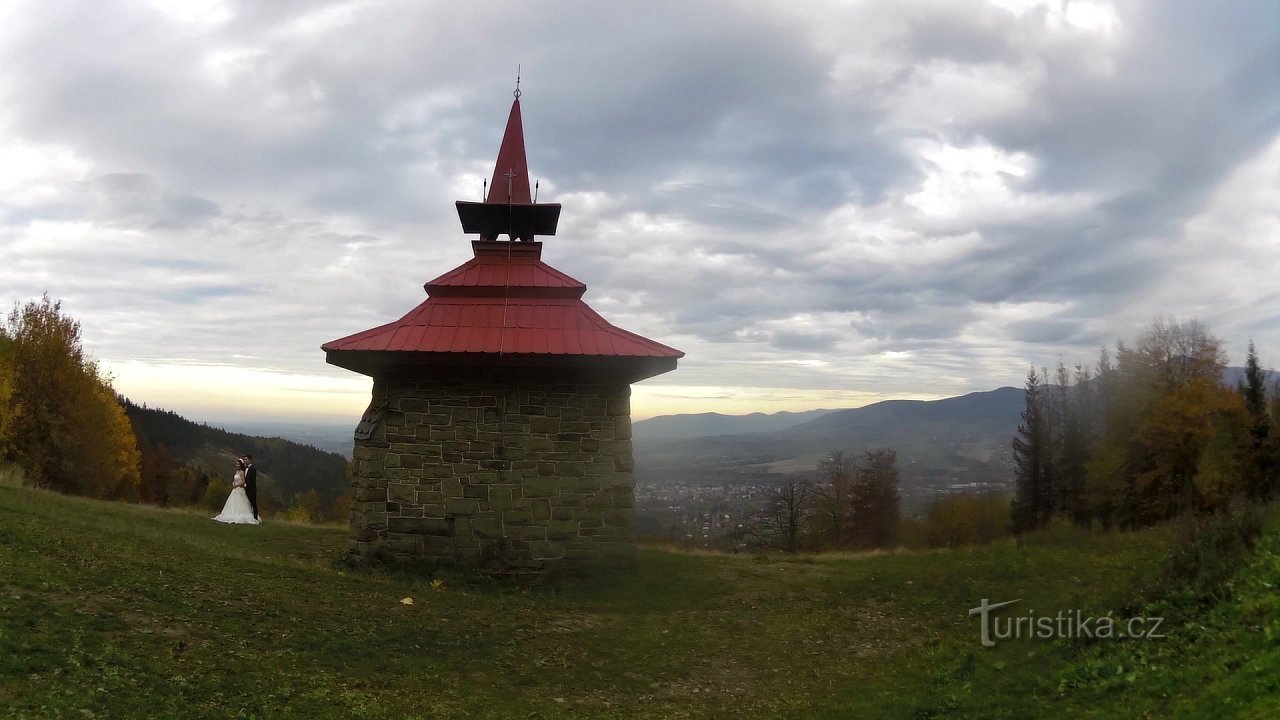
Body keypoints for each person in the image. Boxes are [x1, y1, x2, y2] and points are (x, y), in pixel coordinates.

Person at [213, 458, 260, 525]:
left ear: (241, 465)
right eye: (236, 464)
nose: (236, 465)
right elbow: (236, 479)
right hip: (235, 489)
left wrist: (237, 484)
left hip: (240, 489)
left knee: (241, 502)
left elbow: (243, 482)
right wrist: (233, 483)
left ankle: (245, 516)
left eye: (238, 464)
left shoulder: (241, 472)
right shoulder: (237, 472)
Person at [242, 454, 260, 521]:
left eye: (246, 459)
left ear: (250, 460)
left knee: (253, 503)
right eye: (244, 459)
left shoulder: (253, 469)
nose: (244, 461)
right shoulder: (244, 469)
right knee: (246, 503)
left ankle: (255, 518)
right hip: (245, 489)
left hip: (251, 490)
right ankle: (247, 516)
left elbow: (252, 479)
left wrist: (245, 485)